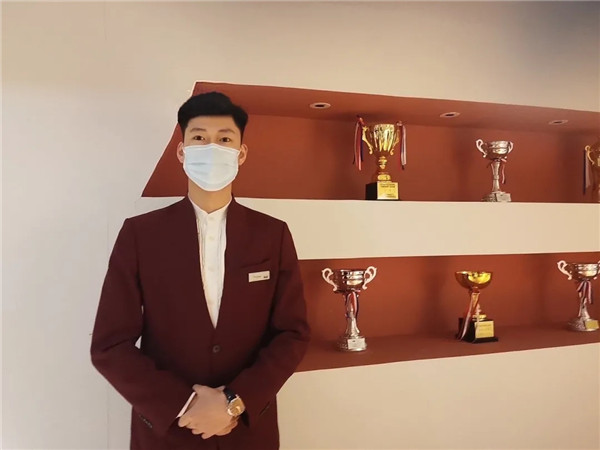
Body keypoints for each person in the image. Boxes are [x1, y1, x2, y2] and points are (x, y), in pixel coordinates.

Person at [90, 92, 310, 450]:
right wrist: (185, 404)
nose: (212, 148)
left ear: (241, 153)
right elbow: (110, 345)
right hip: (167, 432)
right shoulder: (140, 234)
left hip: (247, 430)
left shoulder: (273, 234)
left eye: (224, 139)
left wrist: (235, 401)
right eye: (199, 137)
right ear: (182, 152)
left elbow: (292, 334)